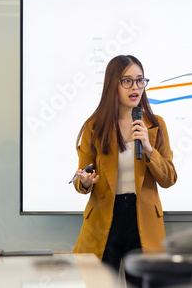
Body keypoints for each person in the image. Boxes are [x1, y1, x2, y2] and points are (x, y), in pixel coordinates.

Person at [72, 55, 177, 273]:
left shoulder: (156, 125)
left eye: (140, 80)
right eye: (127, 80)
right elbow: (80, 180)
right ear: (113, 84)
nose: (135, 87)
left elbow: (169, 179)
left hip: (143, 221)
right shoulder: (95, 127)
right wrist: (84, 181)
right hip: (104, 220)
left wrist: (148, 147)